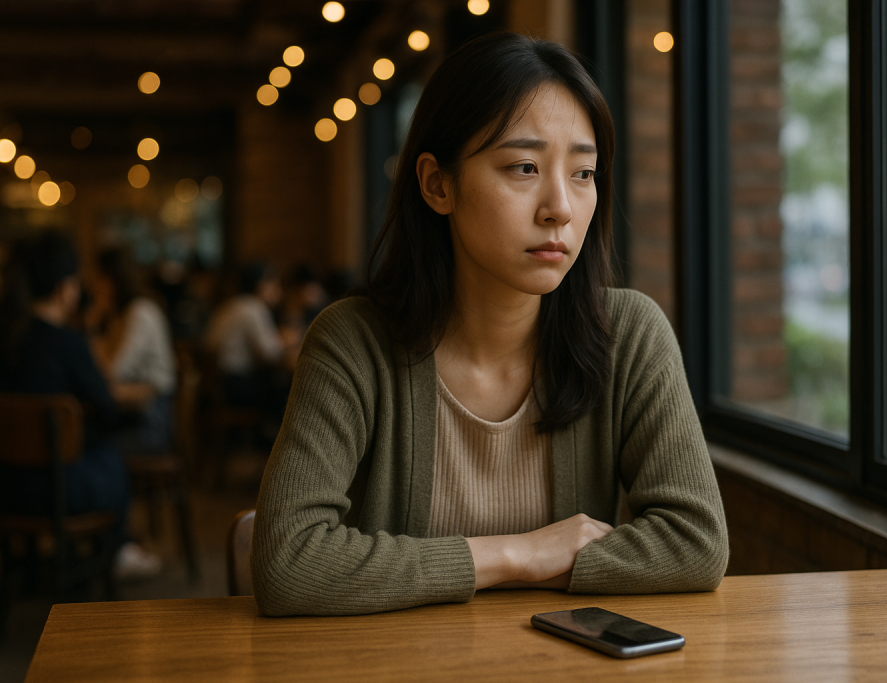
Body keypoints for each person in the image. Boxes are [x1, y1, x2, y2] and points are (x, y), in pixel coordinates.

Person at [251, 32, 728, 617]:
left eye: (583, 174)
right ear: (437, 184)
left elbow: (697, 544)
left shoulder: (628, 334)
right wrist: (518, 556)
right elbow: (288, 563)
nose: (560, 207)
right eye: (524, 167)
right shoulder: (354, 344)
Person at [0, 231, 161, 579]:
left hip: (7, 486)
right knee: (109, 458)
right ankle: (117, 550)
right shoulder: (67, 344)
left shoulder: (7, 337)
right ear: (65, 288)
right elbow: (106, 408)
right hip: (59, 491)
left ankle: (29, 565)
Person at [88, 247, 177, 455]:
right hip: (132, 412)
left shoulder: (140, 313)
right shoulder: (120, 315)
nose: (96, 286)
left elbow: (112, 371)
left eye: (101, 279)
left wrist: (91, 325)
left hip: (152, 422)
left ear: (114, 279)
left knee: (90, 447)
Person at [203, 262, 284, 410]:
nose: (278, 291)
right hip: (236, 386)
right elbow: (270, 354)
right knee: (287, 389)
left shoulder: (229, 305)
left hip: (218, 385)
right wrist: (285, 341)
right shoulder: (254, 308)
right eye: (274, 284)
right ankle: (271, 431)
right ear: (261, 285)